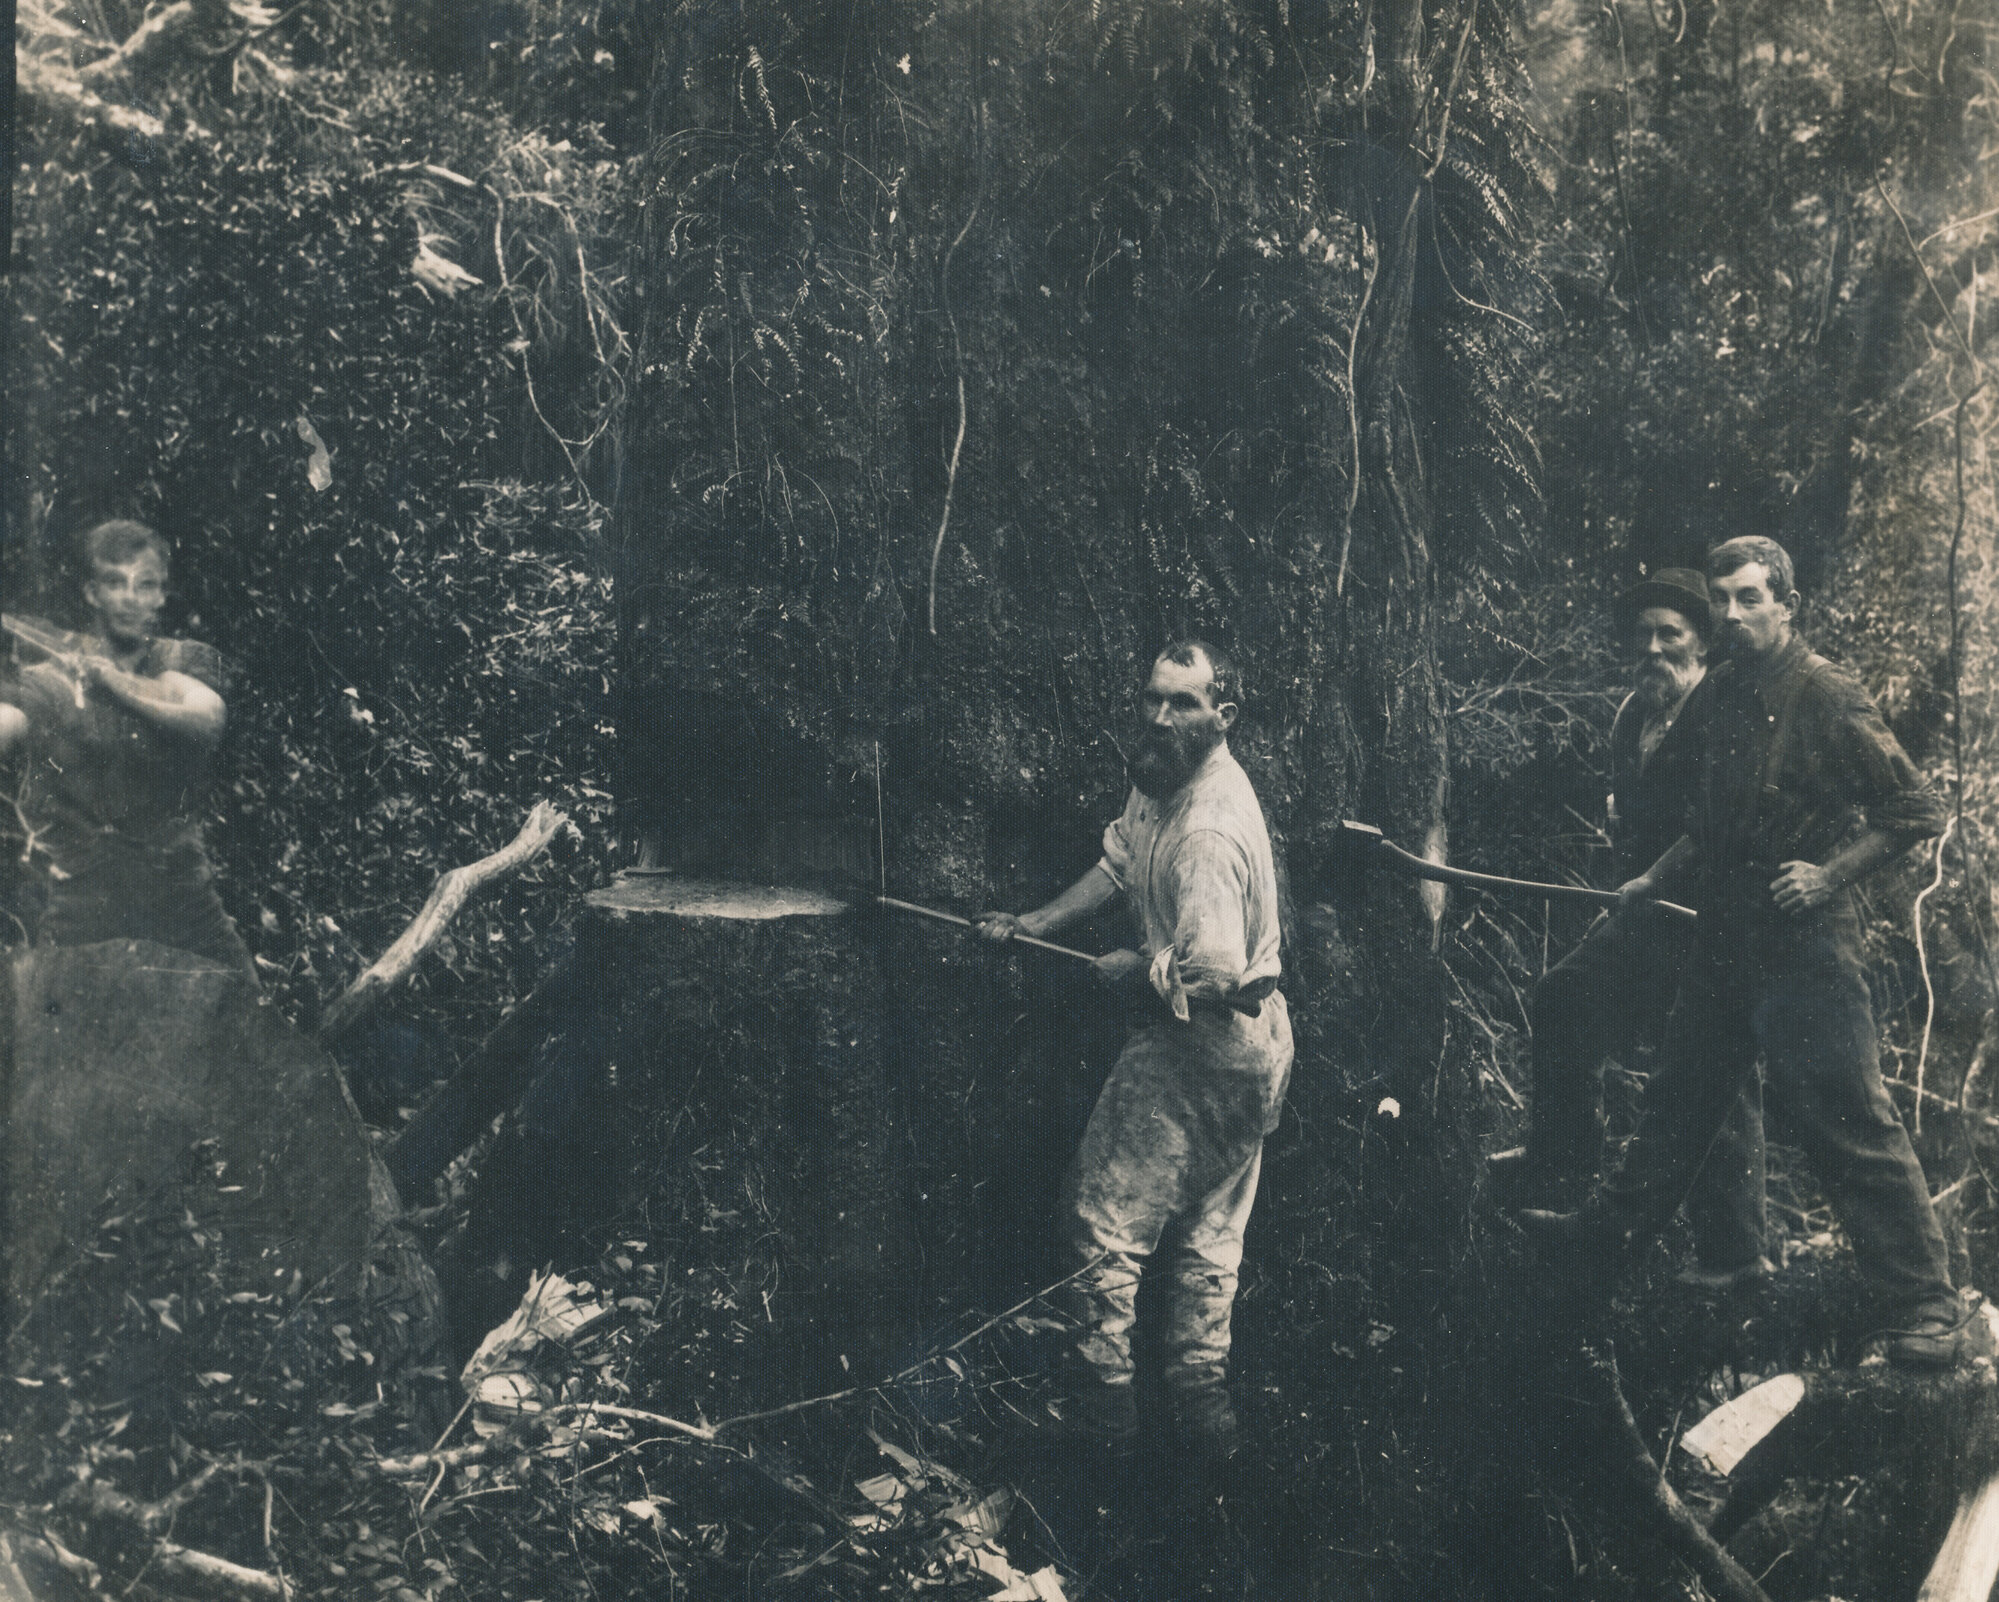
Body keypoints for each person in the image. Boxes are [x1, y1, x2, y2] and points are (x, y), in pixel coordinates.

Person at [1523, 536, 1985, 1367]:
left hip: (1804, 945)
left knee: (1847, 1119)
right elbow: (1708, 820)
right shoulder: (1724, 693)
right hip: (1723, 933)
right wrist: (1651, 878)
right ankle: (1595, 1248)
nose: (1729, 615)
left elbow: (1912, 809)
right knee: (1677, 1103)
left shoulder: (1826, 694)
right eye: (1722, 600)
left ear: (1785, 605)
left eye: (1747, 598)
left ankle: (1928, 1307)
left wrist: (1828, 875)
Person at [975, 640, 1292, 1470]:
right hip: (1240, 1049)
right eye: (1152, 696)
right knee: (1204, 1240)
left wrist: (1139, 972)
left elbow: (1217, 972)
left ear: (1223, 717)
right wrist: (1035, 924)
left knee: (1099, 1222)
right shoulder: (1161, 768)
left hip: (1209, 1040)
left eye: (1182, 703)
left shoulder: (1209, 829)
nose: (1158, 715)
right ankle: (1204, 1424)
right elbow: (1118, 860)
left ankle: (1103, 1422)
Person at [1491, 568, 1770, 1289]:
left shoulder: (1725, 712)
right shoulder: (1631, 715)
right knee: (1564, 997)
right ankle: (1561, 1154)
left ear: (1702, 644)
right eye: (1642, 636)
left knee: (1708, 1067)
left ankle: (1735, 1251)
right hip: (1649, 915)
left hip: (1715, 920)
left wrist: (1661, 878)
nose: (1652, 649)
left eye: (1668, 635)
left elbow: (1727, 824)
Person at [0, 519, 251, 974]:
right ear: (92, 592)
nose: (131, 599)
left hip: (184, 905)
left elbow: (206, 718)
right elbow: (11, 719)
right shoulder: (51, 678)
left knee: (256, 1030)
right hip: (82, 910)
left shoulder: (180, 661)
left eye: (145, 585)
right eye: (115, 583)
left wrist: (112, 681)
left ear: (161, 596)